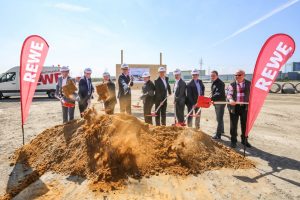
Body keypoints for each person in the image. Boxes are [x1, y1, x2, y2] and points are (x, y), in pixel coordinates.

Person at [227, 69, 252, 148]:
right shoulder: (232, 84)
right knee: (233, 125)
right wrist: (230, 100)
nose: (237, 76)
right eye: (236, 75)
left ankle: (244, 140)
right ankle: (233, 141)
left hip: (245, 107)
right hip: (234, 107)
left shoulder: (249, 84)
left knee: (244, 124)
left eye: (239, 75)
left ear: (244, 75)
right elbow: (229, 94)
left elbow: (252, 94)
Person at [211, 70, 226, 139]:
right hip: (216, 102)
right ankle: (221, 130)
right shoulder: (214, 82)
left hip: (220, 103)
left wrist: (211, 98)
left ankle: (218, 135)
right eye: (211, 75)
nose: (212, 77)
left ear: (217, 75)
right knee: (219, 117)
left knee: (219, 119)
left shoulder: (220, 83)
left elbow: (218, 93)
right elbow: (214, 92)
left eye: (213, 75)